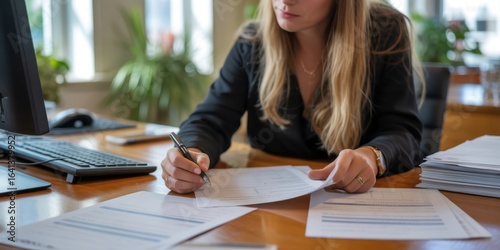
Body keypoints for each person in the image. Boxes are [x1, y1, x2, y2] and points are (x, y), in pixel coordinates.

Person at [161, 0, 423, 194]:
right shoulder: (252, 43)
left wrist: (372, 156)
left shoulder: (384, 32)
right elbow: (210, 119)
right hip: (271, 208)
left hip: (356, 205)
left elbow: (403, 132)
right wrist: (191, 154)